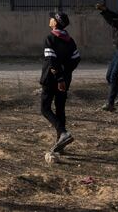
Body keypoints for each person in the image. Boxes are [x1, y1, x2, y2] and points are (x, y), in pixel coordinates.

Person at [40, 12, 81, 154]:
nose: (50, 19)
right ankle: (60, 143)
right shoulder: (70, 40)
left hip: (52, 79)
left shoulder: (50, 38)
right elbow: (76, 58)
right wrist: (65, 72)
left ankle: (63, 133)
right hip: (64, 79)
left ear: (55, 23)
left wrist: (59, 78)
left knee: (45, 108)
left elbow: (51, 60)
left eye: (52, 18)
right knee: (60, 109)